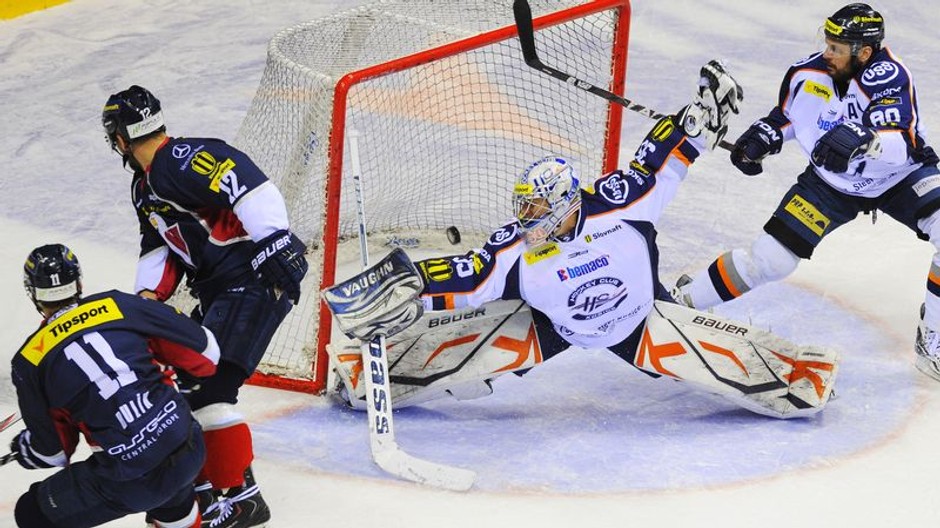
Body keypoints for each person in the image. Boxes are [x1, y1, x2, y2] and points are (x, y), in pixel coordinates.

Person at [326, 61, 838, 418]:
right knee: (465, 372)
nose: (526, 217)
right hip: (555, 326)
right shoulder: (518, 248)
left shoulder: (619, 204)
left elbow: (659, 165)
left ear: (568, 203)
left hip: (639, 317)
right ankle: (361, 375)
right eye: (523, 207)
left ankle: (799, 374)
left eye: (536, 208)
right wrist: (408, 283)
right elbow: (470, 276)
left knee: (761, 380)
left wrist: (698, 120)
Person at [670, 4, 940, 381]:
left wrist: (867, 141)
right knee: (770, 261)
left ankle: (935, 337)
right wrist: (765, 136)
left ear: (864, 52)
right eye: (827, 44)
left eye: (837, 49)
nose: (827, 54)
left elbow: (903, 142)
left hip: (900, 177)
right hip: (831, 187)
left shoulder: (889, 76)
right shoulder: (806, 73)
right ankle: (686, 298)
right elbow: (788, 117)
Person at [101, 85, 308, 527]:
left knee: (210, 388)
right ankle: (215, 491)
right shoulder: (145, 187)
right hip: (222, 292)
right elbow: (159, 242)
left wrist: (273, 238)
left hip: (250, 283)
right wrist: (146, 299)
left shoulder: (176, 160)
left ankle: (241, 499)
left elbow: (242, 176)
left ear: (119, 137)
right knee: (181, 388)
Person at [9, 244, 220, 528]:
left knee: (31, 513)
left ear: (33, 293)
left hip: (133, 479)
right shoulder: (117, 305)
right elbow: (207, 353)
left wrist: (26, 448)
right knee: (169, 481)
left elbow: (54, 453)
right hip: (188, 446)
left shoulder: (30, 362)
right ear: (79, 282)